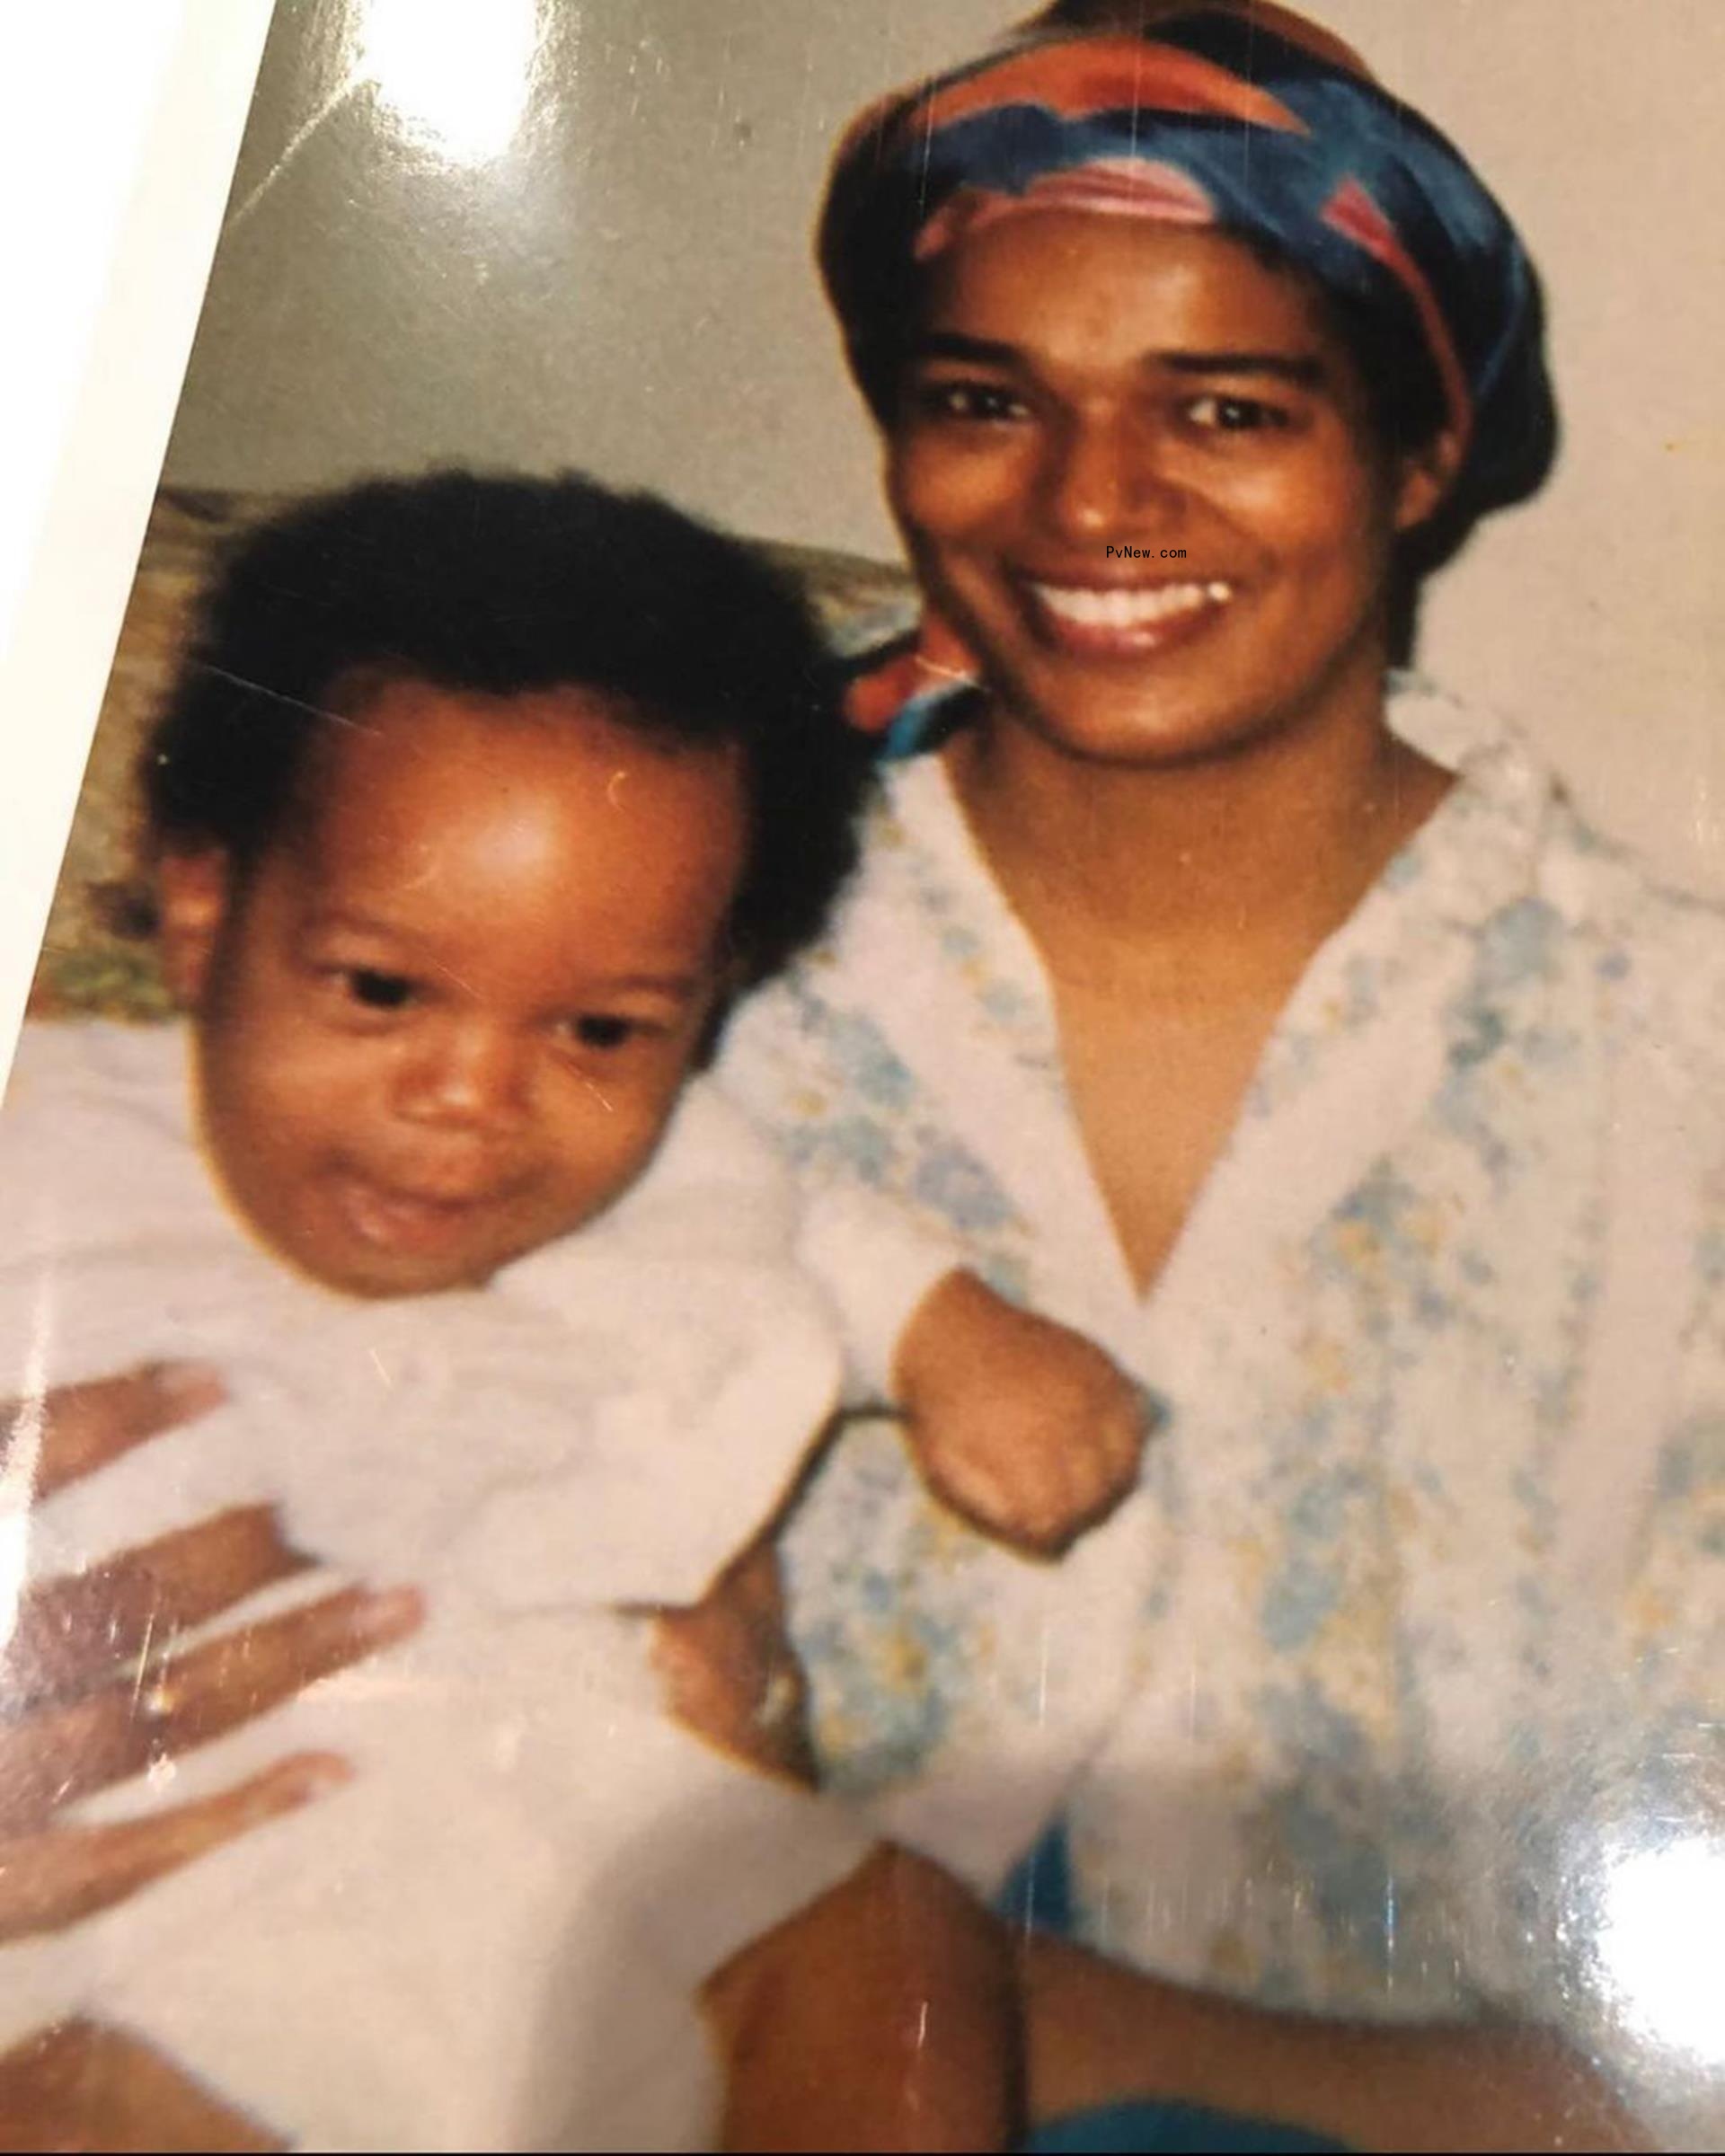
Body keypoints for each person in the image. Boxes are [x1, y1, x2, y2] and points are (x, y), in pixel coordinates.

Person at [709, 1, 1721, 2147]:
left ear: (1417, 457)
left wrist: (1047, 2028)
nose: (1091, 500)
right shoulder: (658, 964)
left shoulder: (1676, 1068)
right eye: (986, 400)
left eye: (1229, 409)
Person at [0, 470, 1146, 2149]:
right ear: (199, 907)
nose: (476, 1098)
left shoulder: (685, 1179)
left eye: (602, 1032)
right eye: (384, 989)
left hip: (566, 1816)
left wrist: (973, 1343)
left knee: (896, 1946)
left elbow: (801, 1225)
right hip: (140, 1878)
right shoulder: (51, 1129)